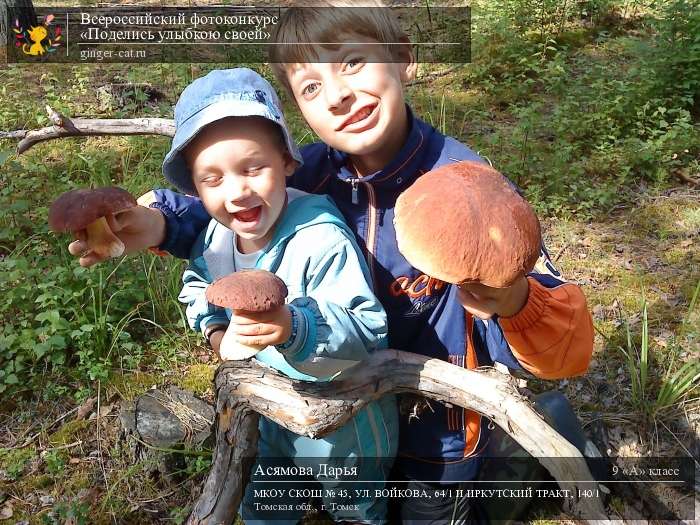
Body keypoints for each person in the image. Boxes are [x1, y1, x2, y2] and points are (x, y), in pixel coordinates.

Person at [68, 4, 594, 522]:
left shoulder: (468, 187)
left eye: (353, 62)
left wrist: (512, 300)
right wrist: (157, 224)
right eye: (312, 86)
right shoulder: (308, 176)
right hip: (339, 414)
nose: (339, 94)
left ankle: (534, 456)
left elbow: (558, 339)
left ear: (403, 58)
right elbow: (236, 221)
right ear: (300, 110)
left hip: (436, 435)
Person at [162, 67, 397, 524]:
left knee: (355, 505)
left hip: (344, 418)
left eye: (254, 168)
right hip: (269, 408)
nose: (238, 192)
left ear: (287, 161)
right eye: (213, 179)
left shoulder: (320, 238)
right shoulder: (216, 237)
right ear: (194, 186)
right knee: (267, 499)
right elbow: (198, 285)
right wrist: (214, 329)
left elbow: (367, 328)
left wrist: (294, 326)